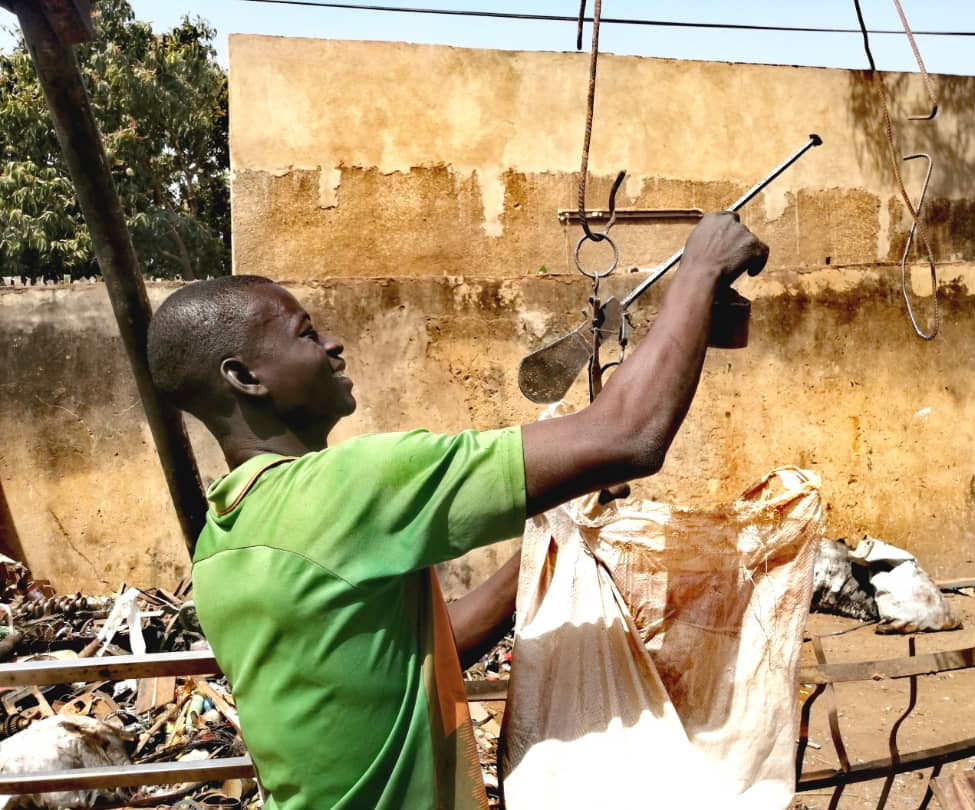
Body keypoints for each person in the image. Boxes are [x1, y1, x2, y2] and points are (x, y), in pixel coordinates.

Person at [147, 212, 768, 810]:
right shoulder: (347, 486)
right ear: (245, 376)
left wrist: (546, 534)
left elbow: (428, 655)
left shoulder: (222, 544)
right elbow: (629, 434)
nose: (333, 344)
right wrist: (699, 270)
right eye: (306, 333)